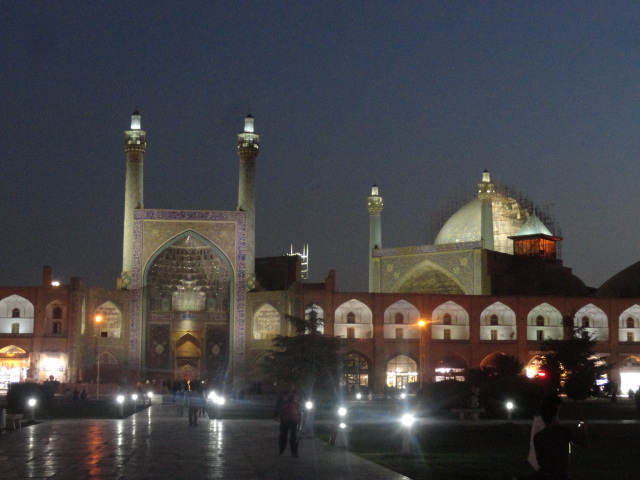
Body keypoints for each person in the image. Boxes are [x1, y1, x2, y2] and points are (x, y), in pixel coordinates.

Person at [533, 402, 587, 479]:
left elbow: (539, 461)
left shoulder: (538, 436)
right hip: (561, 475)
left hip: (545, 475)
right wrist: (583, 431)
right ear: (553, 418)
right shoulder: (564, 431)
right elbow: (583, 443)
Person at [274, 387, 301, 457]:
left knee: (294, 436)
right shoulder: (284, 395)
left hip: (293, 419)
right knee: (283, 436)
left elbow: (299, 407)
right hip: (285, 418)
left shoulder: (296, 395)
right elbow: (278, 405)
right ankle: (282, 450)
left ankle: (294, 452)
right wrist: (276, 414)